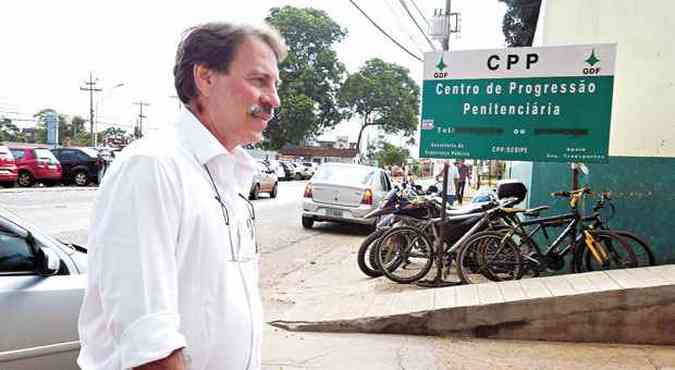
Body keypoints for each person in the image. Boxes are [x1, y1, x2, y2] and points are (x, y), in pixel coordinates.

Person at [77, 22, 287, 370]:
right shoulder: (152, 167)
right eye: (259, 80)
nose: (273, 99)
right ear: (205, 77)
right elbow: (149, 346)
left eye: (274, 84)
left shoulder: (229, 176)